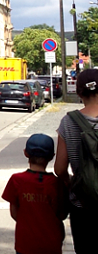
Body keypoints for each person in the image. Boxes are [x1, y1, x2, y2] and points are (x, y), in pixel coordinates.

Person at [2, 133, 68, 254]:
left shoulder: (17, 180)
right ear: (52, 156)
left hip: (25, 243)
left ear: (25, 153)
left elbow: (14, 212)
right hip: (51, 244)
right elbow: (62, 214)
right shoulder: (57, 183)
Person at [55, 68, 98, 254]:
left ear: (79, 92)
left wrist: (71, 183)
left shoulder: (68, 122)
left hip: (82, 204)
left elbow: (60, 168)